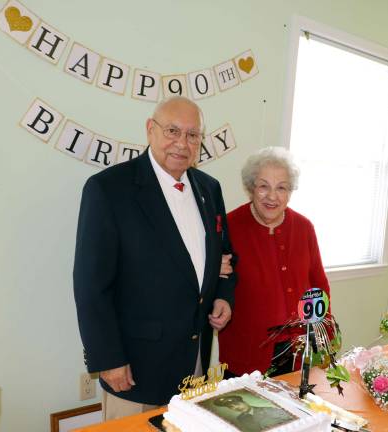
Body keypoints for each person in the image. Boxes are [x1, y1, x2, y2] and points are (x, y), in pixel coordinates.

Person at [73, 96, 235, 419]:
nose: (182, 143)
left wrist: (223, 297)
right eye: (172, 130)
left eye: (192, 135)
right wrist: (108, 359)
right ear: (150, 129)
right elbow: (91, 285)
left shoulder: (209, 188)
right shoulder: (108, 189)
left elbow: (226, 257)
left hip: (195, 363)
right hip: (135, 369)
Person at [219, 146, 330, 378]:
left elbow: (317, 287)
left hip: (298, 351)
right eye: (263, 186)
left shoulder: (304, 227)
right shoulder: (229, 227)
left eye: (281, 188)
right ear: (251, 188)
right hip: (246, 353)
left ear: (290, 191)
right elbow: (215, 284)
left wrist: (321, 338)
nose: (272, 196)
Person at [213, 394, 294, 432]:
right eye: (231, 407)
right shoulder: (241, 418)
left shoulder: (267, 409)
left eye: (237, 404)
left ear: (244, 401)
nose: (236, 408)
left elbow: (292, 420)